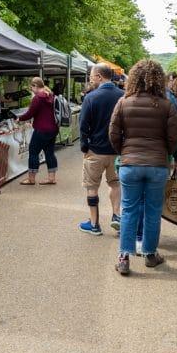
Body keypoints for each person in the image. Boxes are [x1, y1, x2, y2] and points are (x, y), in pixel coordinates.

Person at [109, 60, 177, 275]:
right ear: (159, 79)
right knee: (153, 210)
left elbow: (113, 133)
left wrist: (124, 151)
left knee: (129, 209)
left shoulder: (123, 102)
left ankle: (124, 257)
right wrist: (166, 154)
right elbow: (174, 137)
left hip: (130, 163)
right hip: (157, 164)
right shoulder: (167, 104)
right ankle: (150, 254)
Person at [78, 63, 124, 235]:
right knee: (115, 184)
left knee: (92, 187)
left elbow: (83, 126)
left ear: (99, 76)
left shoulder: (91, 97)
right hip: (117, 151)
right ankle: (116, 216)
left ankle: (94, 224)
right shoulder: (123, 96)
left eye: (91, 75)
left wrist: (84, 147)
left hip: (95, 151)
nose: (90, 78)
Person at [17, 77, 58, 185]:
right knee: (50, 152)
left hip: (41, 129)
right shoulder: (51, 95)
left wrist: (19, 118)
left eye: (32, 87)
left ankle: (31, 179)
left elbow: (30, 113)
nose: (31, 89)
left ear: (35, 86)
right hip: (53, 129)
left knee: (33, 152)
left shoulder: (38, 98)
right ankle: (51, 178)